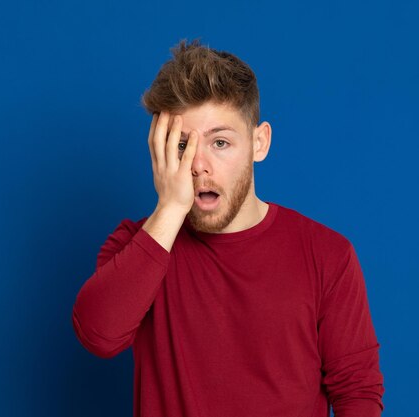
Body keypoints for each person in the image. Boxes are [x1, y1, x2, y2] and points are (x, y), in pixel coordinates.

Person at [72, 39, 384, 417]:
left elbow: (358, 392)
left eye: (220, 142)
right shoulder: (136, 246)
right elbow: (98, 337)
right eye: (182, 145)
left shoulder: (327, 254)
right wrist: (170, 207)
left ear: (259, 142)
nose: (199, 164)